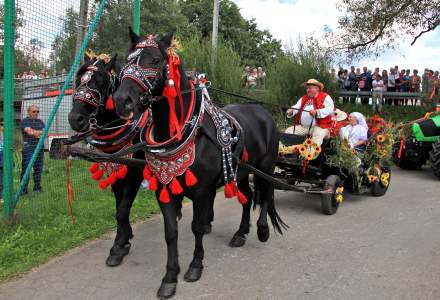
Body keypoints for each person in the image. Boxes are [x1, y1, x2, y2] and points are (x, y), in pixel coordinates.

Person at [286, 79, 334, 146]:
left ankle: (309, 155)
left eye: (310, 88)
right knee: (289, 132)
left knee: (317, 137)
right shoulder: (304, 98)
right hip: (304, 127)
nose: (308, 90)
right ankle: (290, 151)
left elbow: (330, 109)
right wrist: (291, 111)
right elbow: (297, 106)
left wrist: (317, 112)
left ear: (317, 88)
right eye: (307, 88)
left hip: (320, 126)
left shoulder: (325, 96)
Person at [20, 105, 45, 194]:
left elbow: (45, 133)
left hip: (40, 149)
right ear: (29, 112)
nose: (36, 113)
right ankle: (23, 190)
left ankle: (37, 188)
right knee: (26, 169)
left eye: (37, 111)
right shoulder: (24, 121)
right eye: (34, 111)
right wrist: (37, 133)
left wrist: (35, 133)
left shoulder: (40, 121)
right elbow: (29, 132)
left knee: (38, 169)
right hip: (29, 149)